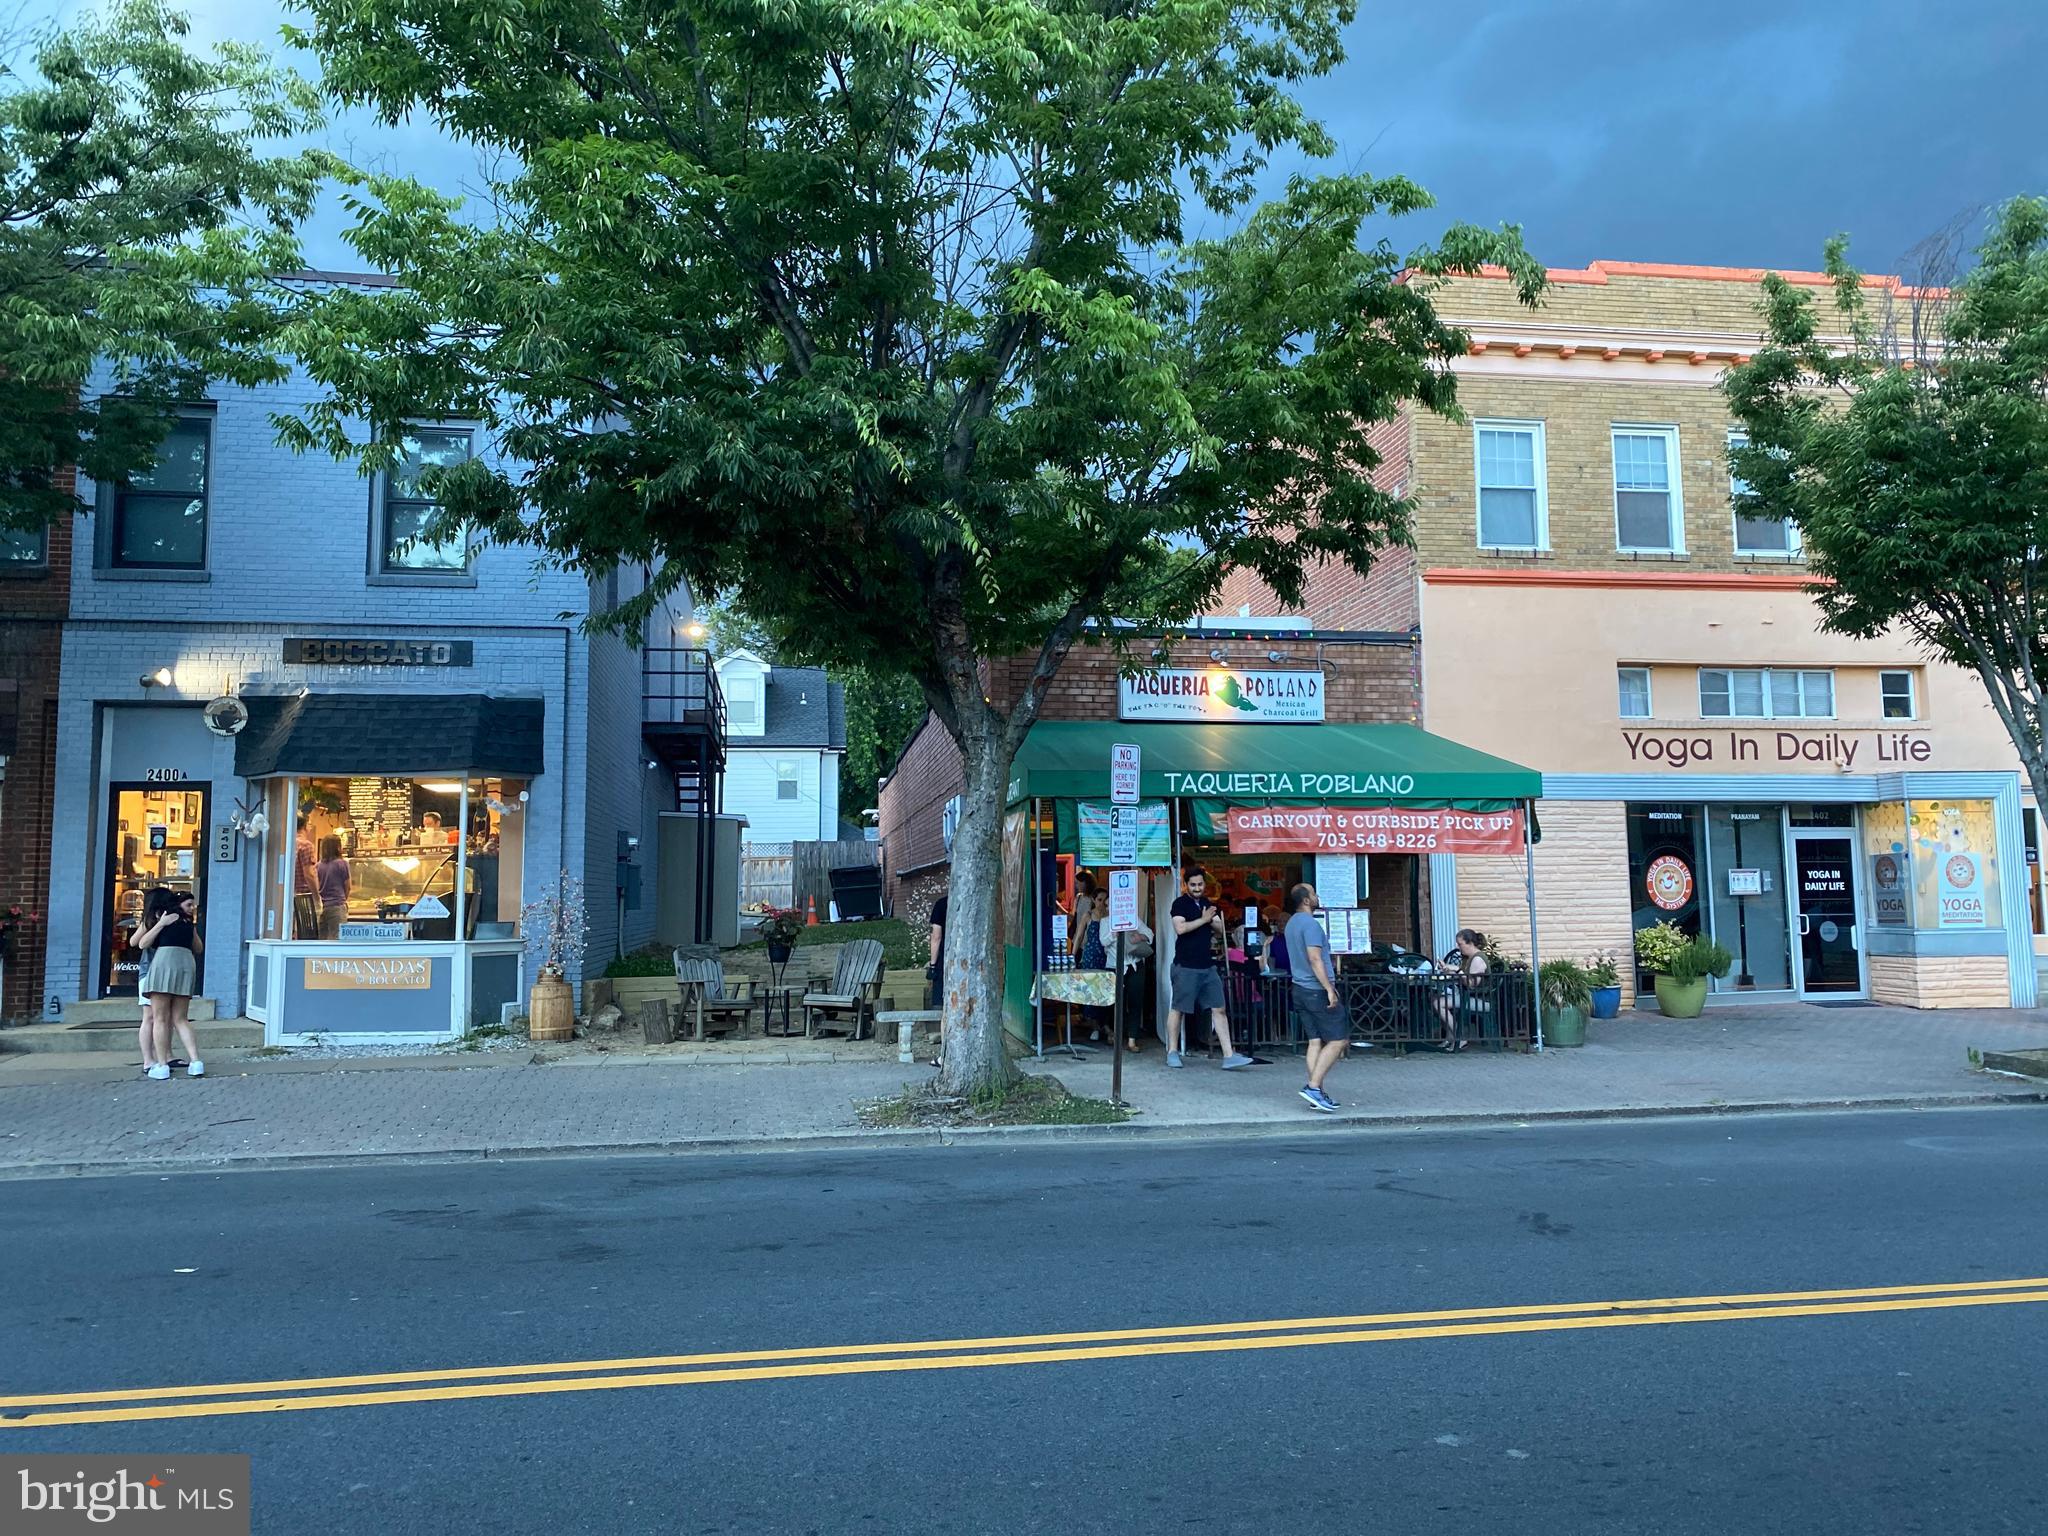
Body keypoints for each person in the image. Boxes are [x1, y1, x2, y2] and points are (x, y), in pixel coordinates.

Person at [1165, 868, 1252, 1070]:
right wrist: (1204, 920)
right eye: (1193, 884)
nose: (1197, 888)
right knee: (1179, 1008)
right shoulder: (1180, 904)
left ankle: (1229, 1055)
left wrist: (1213, 920)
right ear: (1186, 885)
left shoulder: (1207, 904)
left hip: (1207, 965)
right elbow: (1180, 928)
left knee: (1219, 1008)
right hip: (1185, 965)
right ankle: (1172, 1051)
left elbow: (1221, 930)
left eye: (1200, 884)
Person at [1284, 884, 1346, 1112]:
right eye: (1313, 893)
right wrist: (1329, 988)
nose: (1317, 896)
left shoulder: (1291, 923)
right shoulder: (1310, 924)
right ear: (1307, 901)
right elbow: (1314, 958)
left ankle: (1316, 1093)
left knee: (1314, 1041)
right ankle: (1313, 1087)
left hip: (1299, 988)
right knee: (1338, 1040)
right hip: (1315, 990)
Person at [135, 888, 203, 1080]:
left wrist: (160, 924)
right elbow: (198, 947)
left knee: (160, 1018)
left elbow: (141, 943)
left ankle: (162, 1064)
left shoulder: (162, 918)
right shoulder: (188, 924)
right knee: (181, 1018)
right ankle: (196, 1061)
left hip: (163, 965)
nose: (192, 909)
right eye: (189, 905)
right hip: (186, 966)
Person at [1433, 928, 1489, 1052]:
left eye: (1460, 944)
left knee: (1439, 1004)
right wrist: (1452, 970)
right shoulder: (1469, 958)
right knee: (1435, 999)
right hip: (1468, 996)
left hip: (1480, 1000)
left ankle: (1460, 1038)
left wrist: (1457, 971)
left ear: (1470, 943)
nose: (1459, 947)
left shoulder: (1478, 959)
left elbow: (1471, 984)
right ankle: (1451, 1037)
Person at [315, 835, 352, 940]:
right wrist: (343, 901)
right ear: (338, 847)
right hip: (337, 906)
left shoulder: (318, 866)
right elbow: (348, 887)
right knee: (337, 940)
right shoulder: (342, 864)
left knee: (323, 940)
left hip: (322, 907)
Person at [293, 813, 318, 939]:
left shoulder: (288, 844)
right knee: (306, 934)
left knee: (292, 932)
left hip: (290, 896)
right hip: (304, 897)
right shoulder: (306, 845)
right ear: (304, 826)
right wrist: (317, 897)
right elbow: (309, 874)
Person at [926, 891, 949, 1009]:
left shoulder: (941, 904)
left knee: (940, 1003)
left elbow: (936, 937)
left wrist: (933, 965)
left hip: (945, 958)